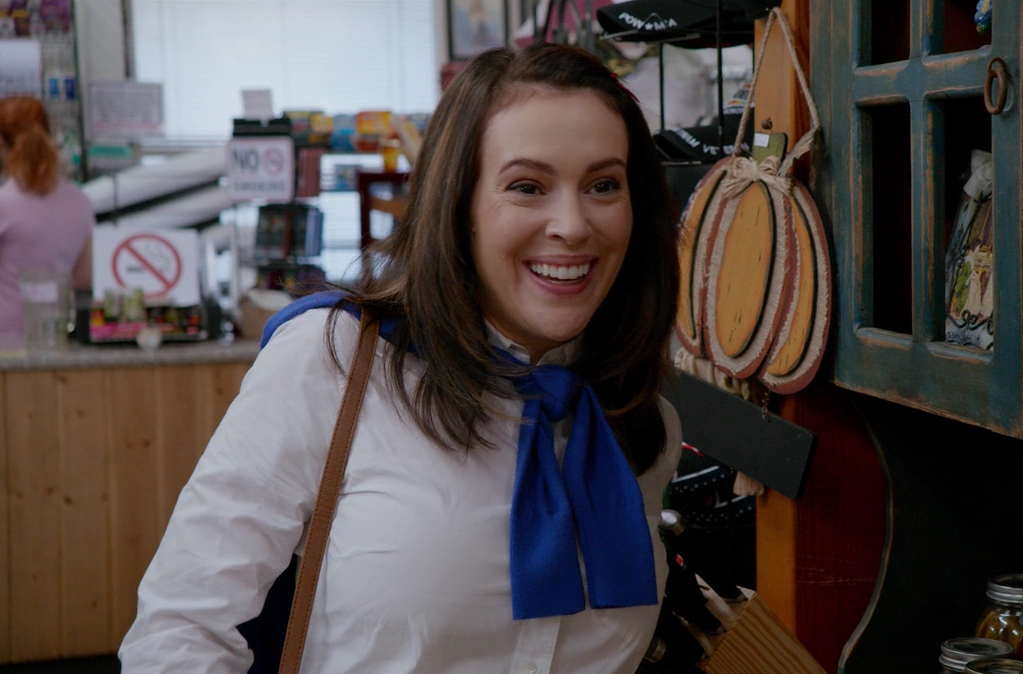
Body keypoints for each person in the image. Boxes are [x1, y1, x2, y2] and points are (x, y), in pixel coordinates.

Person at [119, 42, 682, 672]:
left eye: (604, 185)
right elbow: (180, 631)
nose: (573, 226)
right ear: (458, 205)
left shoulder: (638, 421)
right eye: (527, 186)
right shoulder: (335, 362)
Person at [0, 96, 94, 338]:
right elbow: (83, 279)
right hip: (56, 334)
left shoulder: (4, 204)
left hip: (5, 336)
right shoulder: (80, 203)